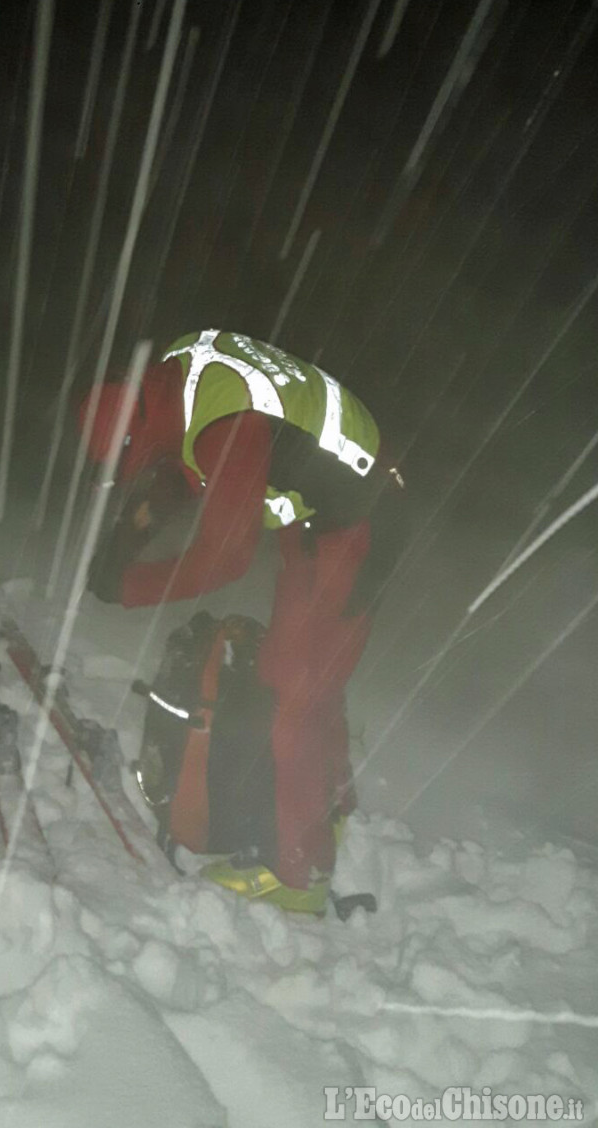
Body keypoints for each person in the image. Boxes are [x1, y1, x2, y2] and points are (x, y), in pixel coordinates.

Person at [79, 329, 405, 913]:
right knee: (295, 671)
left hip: (361, 523)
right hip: (320, 520)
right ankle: (329, 806)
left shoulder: (227, 420)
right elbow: (185, 469)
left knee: (295, 696)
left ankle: (298, 876)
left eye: (139, 456)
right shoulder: (182, 379)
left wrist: (131, 586)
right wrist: (127, 540)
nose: (146, 466)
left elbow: (223, 558)